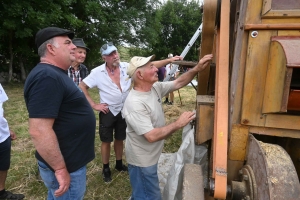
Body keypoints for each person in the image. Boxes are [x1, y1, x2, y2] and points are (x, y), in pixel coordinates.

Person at [78, 43, 181, 183]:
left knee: (120, 137)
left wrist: (168, 60)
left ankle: (119, 163)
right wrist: (94, 105)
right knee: (106, 141)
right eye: (110, 54)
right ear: (104, 58)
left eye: (115, 52)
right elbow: (82, 86)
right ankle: (106, 168)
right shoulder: (97, 72)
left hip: (125, 109)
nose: (115, 56)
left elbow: (151, 64)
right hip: (108, 110)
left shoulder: (126, 67)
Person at [122, 54, 213, 200]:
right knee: (150, 196)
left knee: (141, 193)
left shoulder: (154, 88)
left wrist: (197, 68)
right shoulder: (134, 104)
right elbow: (151, 136)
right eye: (151, 67)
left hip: (150, 157)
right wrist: (178, 123)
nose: (156, 69)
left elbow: (177, 83)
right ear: (140, 74)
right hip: (142, 161)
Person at [24, 27, 96, 199]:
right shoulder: (47, 76)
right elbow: (39, 130)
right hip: (66, 165)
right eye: (67, 43)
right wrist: (60, 169)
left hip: (69, 160)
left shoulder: (55, 74)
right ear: (50, 48)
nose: (73, 46)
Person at [0, 84, 25, 200]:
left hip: (2, 135)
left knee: (3, 165)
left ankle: (1, 192)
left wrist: (7, 128)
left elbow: (1, 107)